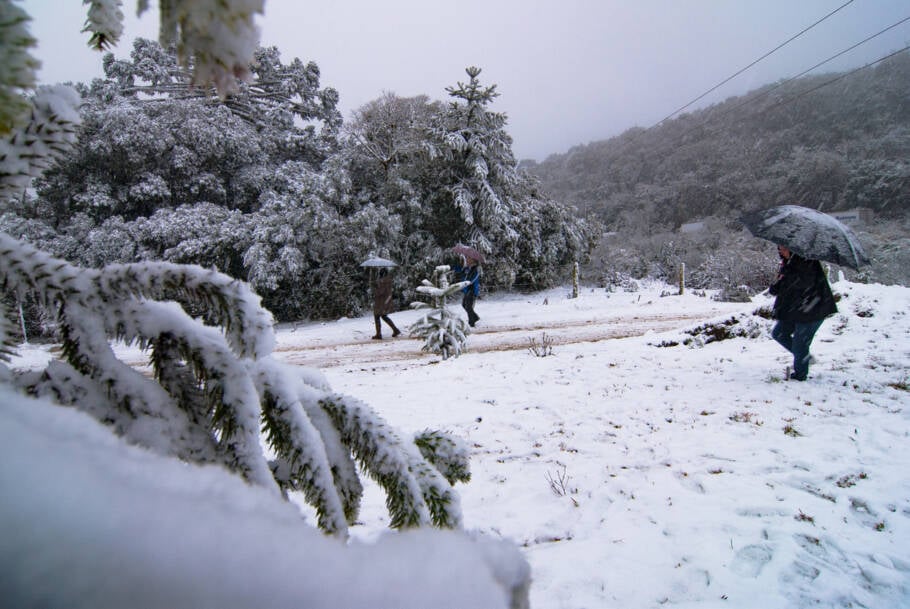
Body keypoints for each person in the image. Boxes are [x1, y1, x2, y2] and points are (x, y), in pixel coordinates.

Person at [768, 244, 837, 381]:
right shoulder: (787, 263)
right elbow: (779, 288)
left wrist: (786, 276)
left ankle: (800, 375)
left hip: (813, 309)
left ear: (792, 248)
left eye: (783, 247)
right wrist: (777, 284)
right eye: (779, 248)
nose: (780, 250)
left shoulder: (808, 262)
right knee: (779, 334)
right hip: (794, 310)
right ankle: (804, 357)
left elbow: (801, 285)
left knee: (800, 343)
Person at [371, 268, 401, 339]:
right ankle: (395, 330)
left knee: (377, 316)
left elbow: (380, 292)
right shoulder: (387, 281)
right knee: (383, 316)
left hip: (381, 302)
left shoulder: (383, 282)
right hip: (385, 301)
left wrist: (375, 288)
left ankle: (379, 334)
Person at [453, 256, 481, 327]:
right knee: (464, 305)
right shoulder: (466, 268)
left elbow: (475, 278)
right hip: (466, 289)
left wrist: (469, 282)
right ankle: (475, 317)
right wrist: (455, 265)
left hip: (472, 289)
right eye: (467, 259)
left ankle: (471, 323)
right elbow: (459, 271)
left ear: (473, 261)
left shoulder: (476, 268)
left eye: (469, 259)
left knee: (468, 306)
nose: (467, 260)